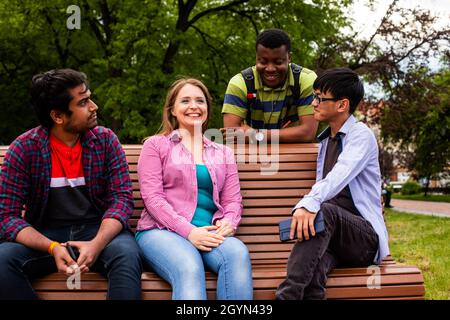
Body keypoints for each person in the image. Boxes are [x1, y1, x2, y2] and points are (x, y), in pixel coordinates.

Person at [0, 69, 142, 300]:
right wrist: (52, 247)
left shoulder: (105, 141)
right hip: (45, 234)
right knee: (2, 262)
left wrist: (96, 244)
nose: (94, 106)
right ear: (58, 116)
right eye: (84, 102)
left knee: (126, 256)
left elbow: (121, 200)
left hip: (99, 229)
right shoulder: (24, 149)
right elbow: (6, 217)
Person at [276, 68, 389, 300]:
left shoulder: (361, 136)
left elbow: (340, 174)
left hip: (363, 240)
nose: (313, 103)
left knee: (323, 211)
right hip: (334, 239)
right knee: (313, 275)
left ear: (342, 105)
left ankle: (286, 297)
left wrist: (309, 202)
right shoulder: (327, 141)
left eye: (320, 98)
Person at [135, 78, 253, 300]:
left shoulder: (223, 153)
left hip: (209, 232)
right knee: (189, 265)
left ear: (207, 108)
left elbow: (232, 201)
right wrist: (189, 232)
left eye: (200, 101)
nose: (194, 106)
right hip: (161, 232)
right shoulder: (155, 146)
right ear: (172, 110)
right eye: (185, 101)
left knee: (237, 253)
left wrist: (229, 222)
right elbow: (153, 199)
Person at [222, 28, 318, 143]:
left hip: (296, 155)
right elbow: (231, 134)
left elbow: (307, 133)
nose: (270, 69)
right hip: (250, 156)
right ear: (256, 57)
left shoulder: (306, 80)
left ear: (289, 58)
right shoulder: (239, 83)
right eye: (263, 62)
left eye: (278, 62)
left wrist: (256, 135)